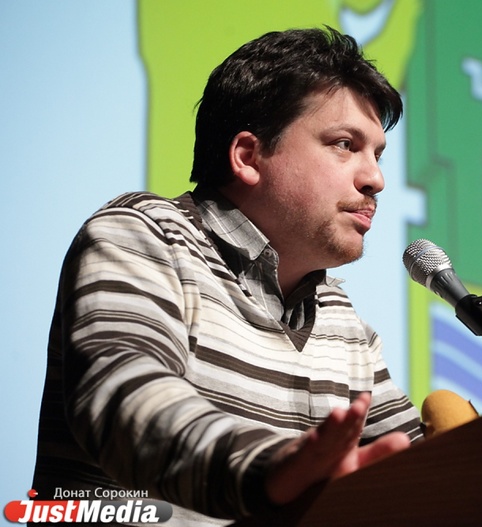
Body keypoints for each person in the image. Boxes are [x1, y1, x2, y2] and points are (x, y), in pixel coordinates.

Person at [31, 26, 423, 525]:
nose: (376, 179)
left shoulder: (344, 325)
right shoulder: (145, 237)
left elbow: (425, 470)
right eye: (345, 145)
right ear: (247, 156)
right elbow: (125, 402)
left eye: (378, 155)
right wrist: (269, 467)